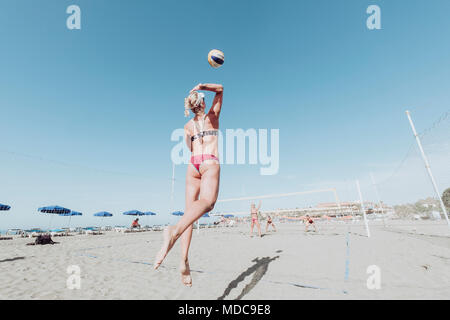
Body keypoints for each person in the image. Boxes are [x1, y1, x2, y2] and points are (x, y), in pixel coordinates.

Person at [154, 83, 223, 287]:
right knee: (208, 203)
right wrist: (202, 85)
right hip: (209, 161)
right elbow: (220, 89)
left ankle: (184, 260)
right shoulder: (212, 116)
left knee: (189, 214)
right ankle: (173, 232)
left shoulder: (187, 127)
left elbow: (190, 146)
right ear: (202, 102)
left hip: (193, 165)